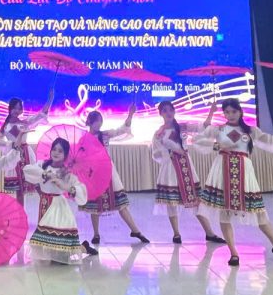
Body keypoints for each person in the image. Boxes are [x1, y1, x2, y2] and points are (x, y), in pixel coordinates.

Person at [192, 98, 273, 266]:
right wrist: (216, 146)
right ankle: (233, 253)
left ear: (240, 112)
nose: (230, 115)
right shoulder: (218, 130)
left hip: (244, 173)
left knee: (259, 213)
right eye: (227, 112)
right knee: (224, 212)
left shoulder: (250, 131)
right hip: (222, 172)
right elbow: (198, 140)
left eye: (234, 111)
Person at [151, 101, 225, 244]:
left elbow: (202, 127)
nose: (168, 113)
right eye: (165, 111)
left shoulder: (182, 127)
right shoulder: (159, 134)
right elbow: (156, 154)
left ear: (174, 111)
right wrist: (171, 153)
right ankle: (176, 234)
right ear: (160, 114)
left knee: (195, 200)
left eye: (170, 110)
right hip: (170, 168)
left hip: (186, 166)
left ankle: (209, 233)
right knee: (171, 202)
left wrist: (211, 112)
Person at [79, 107, 150, 244]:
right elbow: (81, 157)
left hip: (109, 172)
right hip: (94, 173)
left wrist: (130, 115)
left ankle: (135, 230)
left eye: (100, 121)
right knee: (95, 206)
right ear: (90, 122)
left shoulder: (105, 135)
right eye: (97, 121)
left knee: (121, 203)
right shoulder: (84, 139)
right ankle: (96, 234)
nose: (99, 124)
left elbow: (121, 130)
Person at [24, 137, 98, 264]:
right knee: (47, 244)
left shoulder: (67, 173)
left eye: (60, 151)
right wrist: (45, 174)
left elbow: (81, 192)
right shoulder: (43, 165)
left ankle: (83, 248)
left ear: (65, 155)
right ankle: (82, 247)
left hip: (58, 207)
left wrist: (66, 187)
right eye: (54, 149)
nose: (56, 153)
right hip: (44, 203)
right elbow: (27, 170)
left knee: (60, 252)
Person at [0, 90, 53, 205]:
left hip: (26, 155)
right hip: (14, 156)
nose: (17, 110)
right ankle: (21, 214)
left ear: (21, 110)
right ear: (10, 109)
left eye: (19, 108)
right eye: (15, 108)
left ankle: (46, 206)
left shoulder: (25, 123)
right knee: (19, 190)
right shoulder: (5, 126)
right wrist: (10, 145)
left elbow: (41, 114)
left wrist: (50, 100)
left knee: (36, 183)